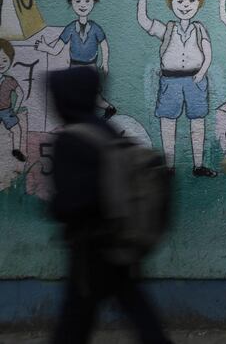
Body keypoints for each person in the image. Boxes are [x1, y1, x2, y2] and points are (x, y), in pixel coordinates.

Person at [48, 66, 171, 344]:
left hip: (90, 247)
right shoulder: (108, 130)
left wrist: (55, 208)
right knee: (136, 308)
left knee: (73, 324)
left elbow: (72, 202)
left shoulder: (71, 139)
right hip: (121, 238)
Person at [136, 0, 216, 177]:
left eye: (191, 0)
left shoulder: (200, 29)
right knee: (167, 122)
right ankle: (169, 166)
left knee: (197, 121)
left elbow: (208, 54)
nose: (185, 5)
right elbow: (144, 22)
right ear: (172, 3)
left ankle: (198, 165)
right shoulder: (168, 29)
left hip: (195, 80)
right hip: (170, 80)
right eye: (180, 0)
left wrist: (202, 73)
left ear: (199, 3)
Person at [35, 0, 117, 118]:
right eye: (78, 1)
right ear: (72, 2)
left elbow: (104, 44)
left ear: (93, 2)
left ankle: (109, 108)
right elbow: (57, 49)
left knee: (92, 97)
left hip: (90, 68)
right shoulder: (71, 28)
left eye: (87, 0)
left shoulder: (96, 28)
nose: (82, 5)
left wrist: (105, 63)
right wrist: (44, 47)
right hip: (74, 68)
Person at [0, 38, 27, 163]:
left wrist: (15, 109)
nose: (1, 63)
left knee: (16, 129)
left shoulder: (10, 80)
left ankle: (16, 150)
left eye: (5, 60)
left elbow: (20, 93)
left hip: (6, 111)